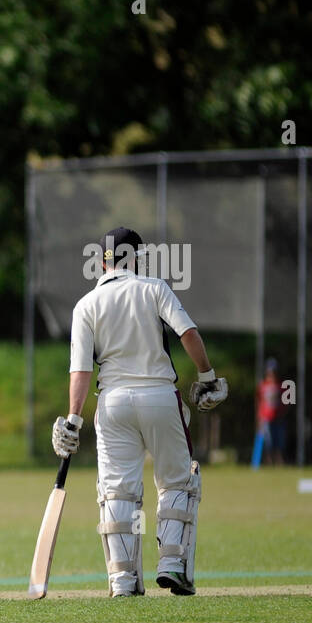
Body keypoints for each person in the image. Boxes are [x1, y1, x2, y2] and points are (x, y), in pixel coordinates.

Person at [52, 227, 227, 597]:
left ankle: (123, 580)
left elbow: (80, 370)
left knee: (117, 492)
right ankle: (172, 565)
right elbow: (188, 334)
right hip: (160, 398)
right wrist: (208, 377)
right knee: (177, 482)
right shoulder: (154, 288)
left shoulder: (86, 304)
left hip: (112, 403)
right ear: (138, 259)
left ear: (102, 262)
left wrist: (73, 419)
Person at [255, 358, 285, 466]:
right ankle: (268, 462)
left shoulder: (281, 386)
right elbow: (259, 402)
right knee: (268, 442)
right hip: (266, 418)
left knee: (279, 441)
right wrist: (259, 417)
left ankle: (278, 461)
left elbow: (286, 403)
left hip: (278, 418)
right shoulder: (262, 385)